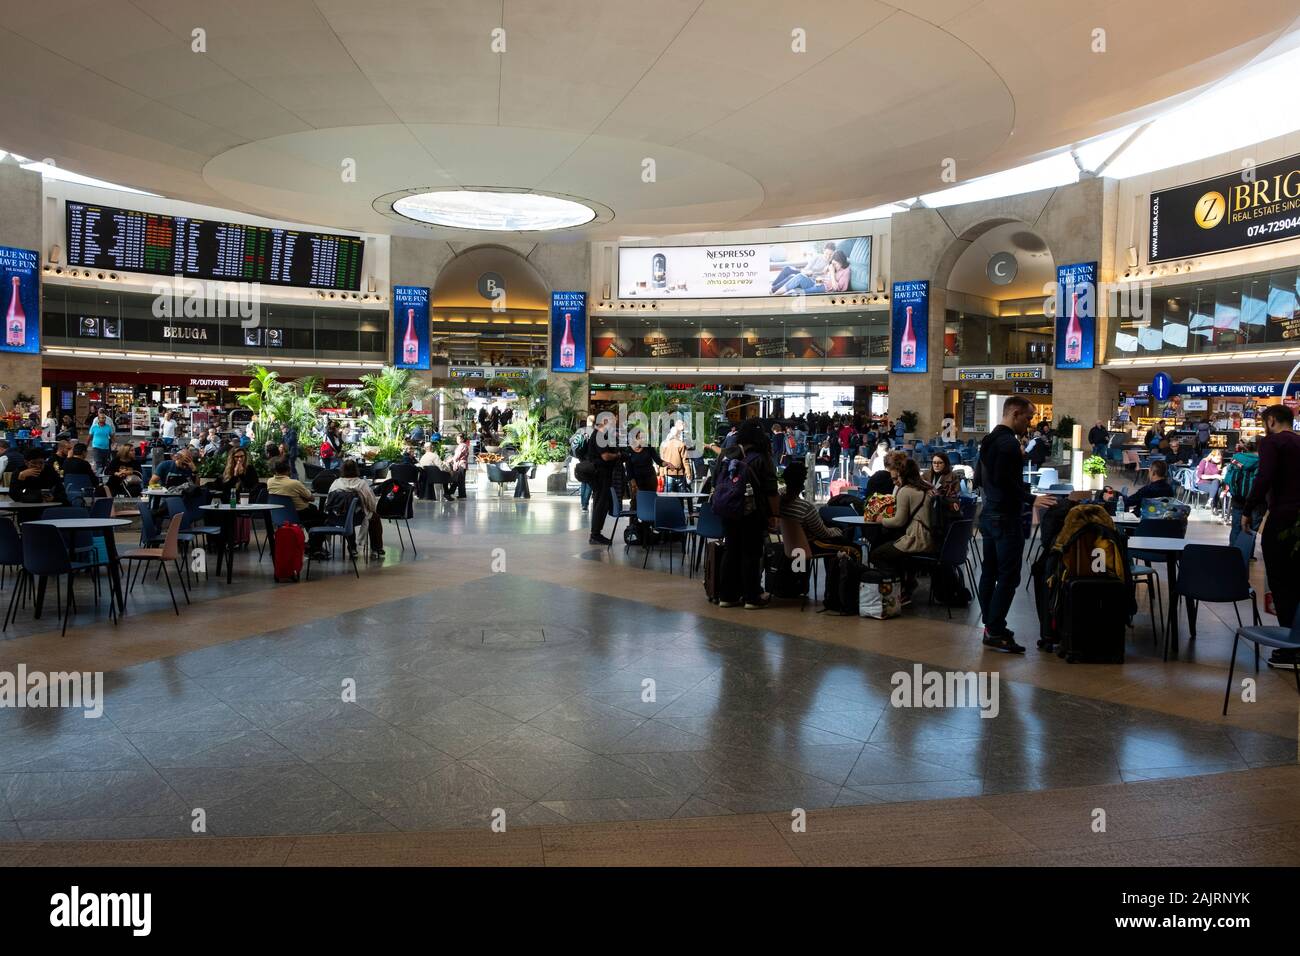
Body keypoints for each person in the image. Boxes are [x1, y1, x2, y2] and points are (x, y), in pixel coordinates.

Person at [975, 395, 1036, 653]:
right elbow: (1004, 481)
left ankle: (991, 625)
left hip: (988, 513)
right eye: (1028, 417)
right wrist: (1031, 498)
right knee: (1009, 576)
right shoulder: (1008, 444)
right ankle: (996, 628)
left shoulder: (989, 440)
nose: (1030, 423)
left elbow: (980, 477)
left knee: (989, 572)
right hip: (1004, 517)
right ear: (1014, 413)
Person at [1241, 404, 1300, 670]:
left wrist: (1248, 509)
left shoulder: (1272, 443)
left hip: (1283, 518)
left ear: (1272, 420)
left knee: (1282, 581)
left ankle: (1291, 648)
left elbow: (1264, 478)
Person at [712, 419, 780, 609]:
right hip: (752, 512)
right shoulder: (761, 457)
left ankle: (727, 596)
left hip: (728, 511)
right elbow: (771, 489)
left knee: (731, 550)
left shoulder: (726, 455)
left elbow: (715, 481)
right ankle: (751, 597)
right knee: (751, 552)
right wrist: (775, 515)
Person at [868, 453, 937, 601]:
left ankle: (898, 588)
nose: (895, 482)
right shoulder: (928, 487)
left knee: (876, 554)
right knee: (892, 549)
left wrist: (882, 520)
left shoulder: (906, 491)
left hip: (916, 539)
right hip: (931, 538)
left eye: (896, 477)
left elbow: (898, 521)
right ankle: (906, 583)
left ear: (902, 474)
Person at [778, 460, 848, 548]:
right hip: (808, 545)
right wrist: (838, 530)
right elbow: (823, 533)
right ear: (802, 484)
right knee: (854, 547)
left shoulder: (779, 500)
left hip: (788, 544)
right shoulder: (806, 508)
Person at [326, 459, 384, 557]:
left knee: (347, 518)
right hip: (359, 517)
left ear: (342, 469)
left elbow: (329, 501)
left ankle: (352, 548)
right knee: (375, 518)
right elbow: (371, 501)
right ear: (356, 469)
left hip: (338, 517)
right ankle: (376, 549)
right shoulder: (362, 483)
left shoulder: (336, 483)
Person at [584, 416, 624, 545]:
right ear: (605, 422)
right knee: (600, 504)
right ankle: (595, 534)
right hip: (600, 475)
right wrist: (618, 455)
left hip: (603, 475)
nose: (614, 424)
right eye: (613, 422)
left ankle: (596, 533)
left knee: (602, 504)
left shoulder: (603, 435)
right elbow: (606, 456)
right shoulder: (599, 436)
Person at [267, 457, 326, 537]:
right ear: (289, 469)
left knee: (313, 509)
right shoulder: (294, 483)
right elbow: (311, 498)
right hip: (298, 514)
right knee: (323, 517)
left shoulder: (270, 482)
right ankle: (314, 544)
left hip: (278, 515)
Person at [1225, 440, 1262, 552]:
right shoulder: (1261, 461)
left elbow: (1227, 478)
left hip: (1237, 497)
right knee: (1250, 528)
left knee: (1236, 526)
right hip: (1254, 499)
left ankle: (1232, 551)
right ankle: (1246, 554)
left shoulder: (1236, 458)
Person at [624, 429, 663, 498]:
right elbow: (628, 468)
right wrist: (633, 482)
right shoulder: (629, 450)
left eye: (645, 437)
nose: (644, 439)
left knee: (651, 500)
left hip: (650, 479)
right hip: (636, 480)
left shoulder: (649, 447)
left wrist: (665, 463)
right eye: (641, 438)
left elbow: (657, 460)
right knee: (636, 502)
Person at [660, 420, 690, 494]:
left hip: (668, 472)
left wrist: (661, 473)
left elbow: (661, 459)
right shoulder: (681, 444)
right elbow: (685, 460)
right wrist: (688, 472)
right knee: (680, 496)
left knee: (668, 495)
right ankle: (680, 505)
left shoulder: (664, 444)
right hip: (679, 473)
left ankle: (668, 505)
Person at [449, 433, 470, 500]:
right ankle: (461, 494)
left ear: (462, 439)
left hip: (461, 465)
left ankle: (450, 493)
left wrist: (451, 460)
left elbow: (457, 456)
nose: (457, 440)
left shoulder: (462, 446)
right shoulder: (463, 445)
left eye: (458, 438)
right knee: (460, 480)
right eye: (457, 438)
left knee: (459, 480)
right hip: (461, 465)